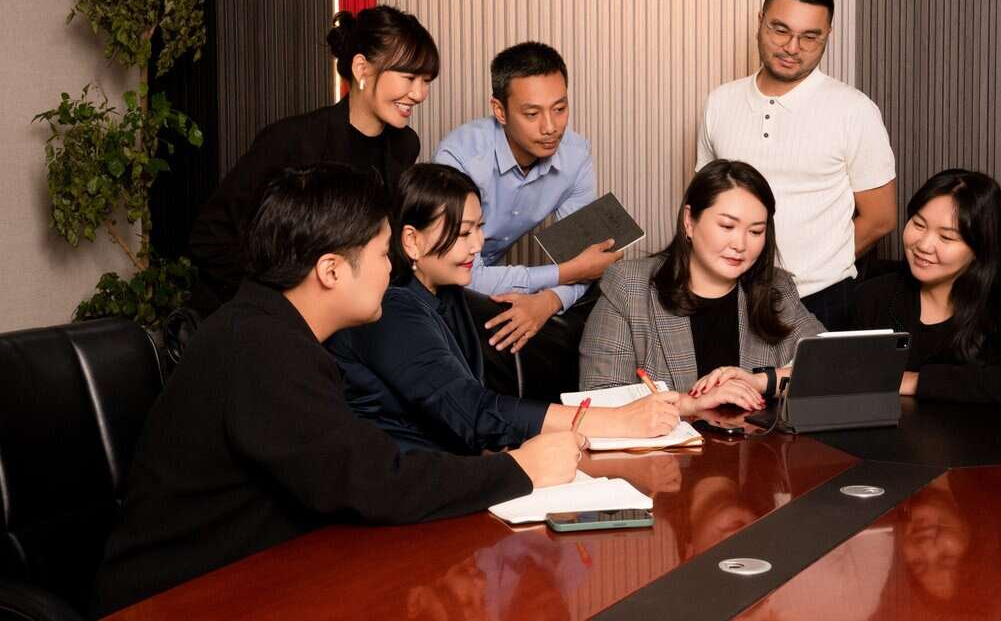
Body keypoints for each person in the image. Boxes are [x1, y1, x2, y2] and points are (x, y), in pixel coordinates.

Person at [91, 164, 584, 616]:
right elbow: (374, 480)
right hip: (177, 599)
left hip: (270, 575)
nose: (391, 268)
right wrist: (520, 469)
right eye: (380, 253)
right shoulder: (263, 349)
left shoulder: (270, 327)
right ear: (330, 270)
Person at [329, 164, 681, 453]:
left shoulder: (446, 292)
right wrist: (617, 420)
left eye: (480, 229)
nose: (478, 245)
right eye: (464, 233)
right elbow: (472, 411)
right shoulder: (391, 311)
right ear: (411, 241)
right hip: (405, 484)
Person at [187, 5, 437, 316]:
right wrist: (284, 303)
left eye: (426, 80)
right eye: (409, 77)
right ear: (362, 69)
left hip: (356, 317)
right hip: (272, 320)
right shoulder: (293, 140)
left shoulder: (404, 145)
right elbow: (209, 238)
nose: (419, 93)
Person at [696, 0, 897, 331]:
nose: (792, 47)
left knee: (811, 390)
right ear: (760, 21)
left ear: (828, 35)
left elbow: (881, 217)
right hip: (731, 291)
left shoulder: (855, 110)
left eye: (810, 37)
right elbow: (706, 202)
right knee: (726, 388)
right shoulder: (720, 102)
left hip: (822, 297)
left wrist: (820, 268)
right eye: (781, 30)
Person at [434, 41, 621, 400]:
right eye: (532, 114)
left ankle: (571, 417)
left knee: (614, 283)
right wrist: (563, 275)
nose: (551, 127)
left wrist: (549, 300)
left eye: (561, 108)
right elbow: (450, 268)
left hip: (501, 277)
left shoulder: (576, 156)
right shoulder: (460, 158)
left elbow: (587, 259)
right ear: (500, 111)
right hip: (451, 275)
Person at [579, 160, 825, 408]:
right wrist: (689, 404)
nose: (740, 244)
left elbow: (833, 368)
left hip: (758, 446)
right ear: (689, 221)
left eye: (755, 232)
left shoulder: (776, 288)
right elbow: (599, 399)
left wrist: (760, 381)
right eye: (727, 226)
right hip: (669, 447)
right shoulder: (629, 287)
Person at [850, 169, 1001, 403]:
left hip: (988, 436)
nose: (924, 245)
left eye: (947, 237)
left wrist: (916, 381)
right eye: (919, 224)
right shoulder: (874, 297)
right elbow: (854, 381)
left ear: (979, 247)